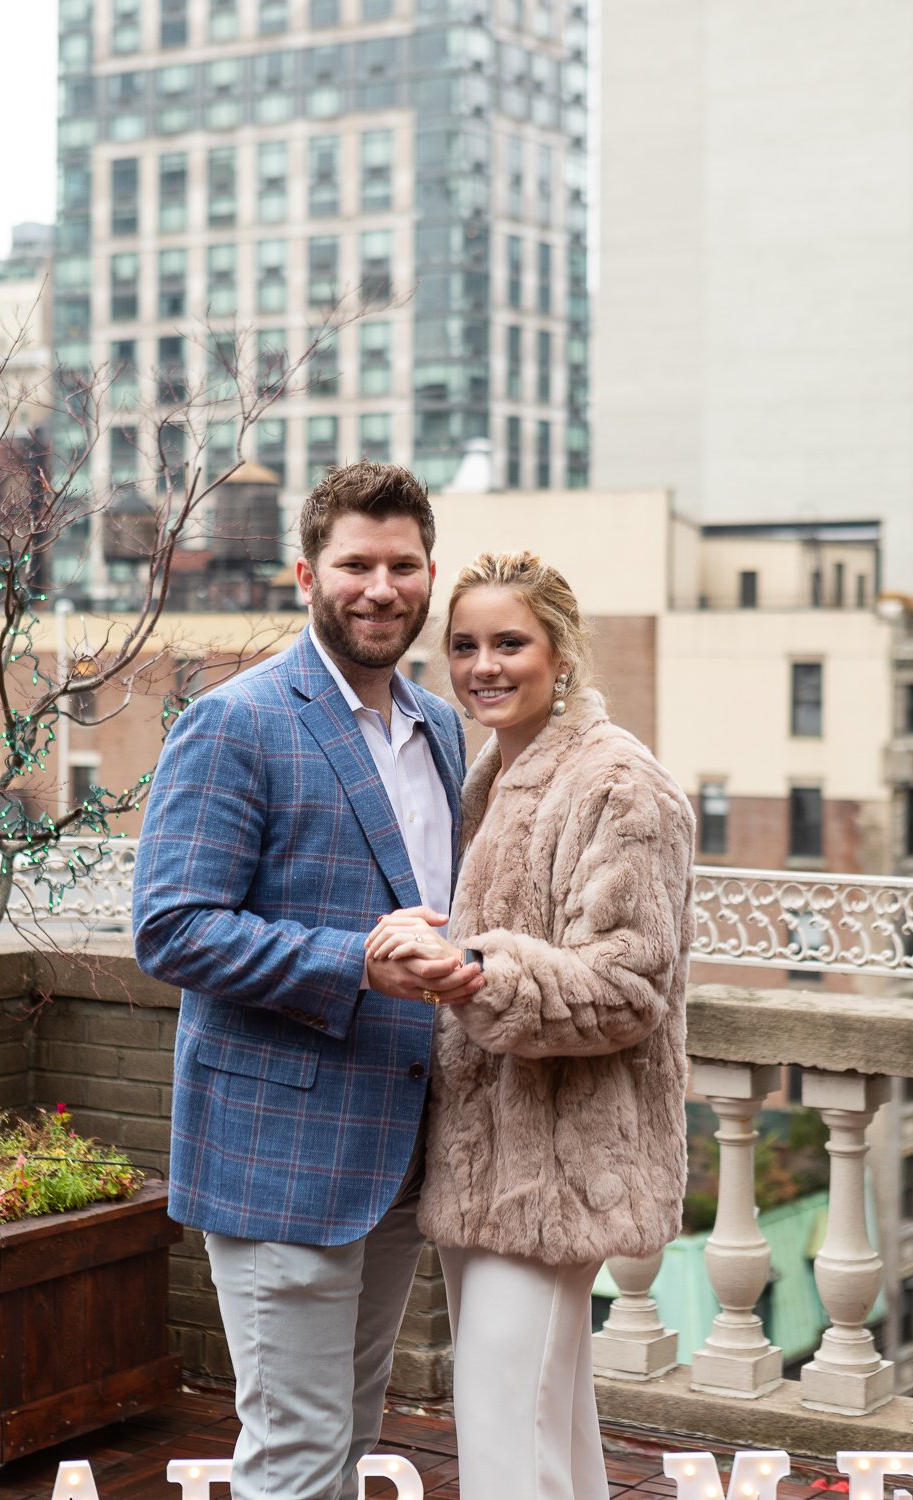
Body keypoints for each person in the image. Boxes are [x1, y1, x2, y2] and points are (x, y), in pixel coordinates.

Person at [132, 460, 485, 1500]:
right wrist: (354, 961)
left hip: (398, 1154)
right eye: (355, 565)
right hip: (275, 1161)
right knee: (291, 1452)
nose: (380, 588)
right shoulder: (237, 721)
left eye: (403, 565)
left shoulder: (442, 727)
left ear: (430, 575)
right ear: (304, 574)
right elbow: (172, 927)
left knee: (346, 1437)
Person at [366, 551, 695, 1500]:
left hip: (562, 1161)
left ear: (563, 652)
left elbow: (629, 989)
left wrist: (472, 972)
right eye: (463, 645)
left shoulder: (621, 786)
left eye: (511, 642)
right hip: (486, 1158)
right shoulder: (491, 776)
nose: (484, 666)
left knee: (506, 1425)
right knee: (539, 1421)